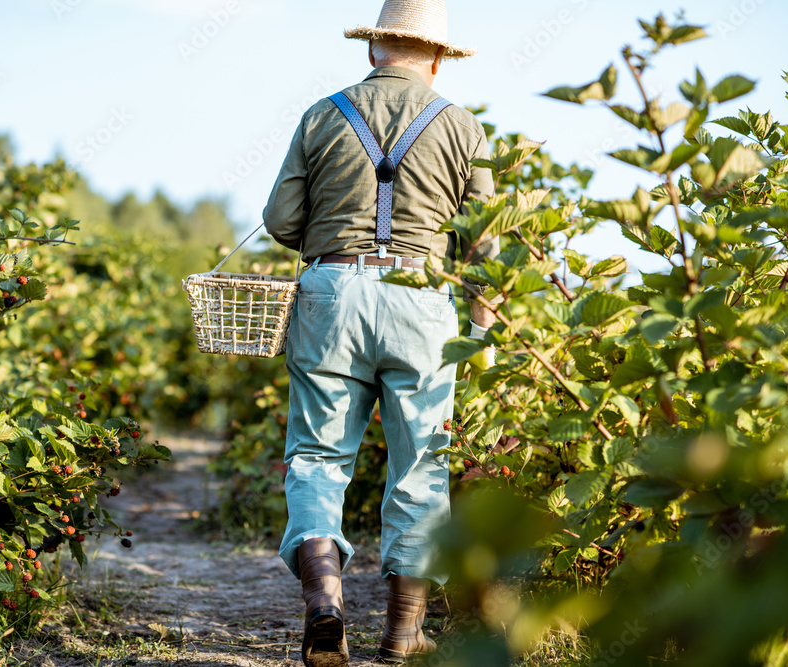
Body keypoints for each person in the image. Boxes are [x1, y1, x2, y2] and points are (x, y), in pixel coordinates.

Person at [263, 1, 497, 664]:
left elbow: (281, 220)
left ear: (373, 50)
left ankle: (325, 604)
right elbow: (485, 242)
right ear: (435, 58)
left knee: (317, 455)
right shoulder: (461, 125)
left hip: (331, 295)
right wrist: (479, 329)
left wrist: (336, 232)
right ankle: (401, 631)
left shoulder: (322, 113)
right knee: (421, 463)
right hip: (423, 302)